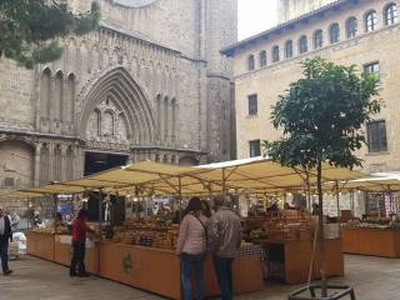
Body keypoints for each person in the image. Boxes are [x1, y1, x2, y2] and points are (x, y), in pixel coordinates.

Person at [210, 196, 242, 300]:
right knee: (229, 276)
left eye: (213, 203)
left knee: (222, 277)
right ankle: (229, 296)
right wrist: (236, 246)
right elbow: (239, 235)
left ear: (217, 204)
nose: (212, 205)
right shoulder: (235, 217)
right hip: (231, 251)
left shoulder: (216, 217)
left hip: (220, 252)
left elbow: (214, 236)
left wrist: (213, 249)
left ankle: (227, 297)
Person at [176, 197, 208, 300]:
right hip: (201, 251)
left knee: (186, 278)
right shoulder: (205, 219)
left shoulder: (187, 219)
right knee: (200, 277)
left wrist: (178, 251)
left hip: (188, 252)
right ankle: (200, 297)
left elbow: (182, 237)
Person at [70, 209, 96, 277]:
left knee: (75, 257)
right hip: (79, 241)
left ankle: (72, 271)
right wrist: (94, 232)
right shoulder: (80, 221)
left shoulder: (76, 220)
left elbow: (82, 230)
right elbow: (85, 229)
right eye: (86, 216)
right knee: (80, 257)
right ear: (83, 215)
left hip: (75, 240)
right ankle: (81, 272)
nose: (86, 217)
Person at [0, 206, 13, 275]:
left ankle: (5, 270)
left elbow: (9, 228)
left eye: (1, 210)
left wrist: (10, 237)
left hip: (4, 239)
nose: (0, 211)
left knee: (4, 255)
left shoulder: (6, 218)